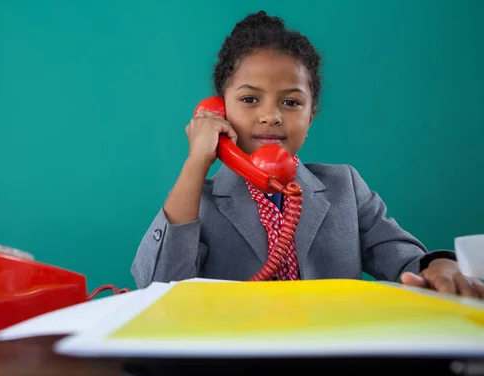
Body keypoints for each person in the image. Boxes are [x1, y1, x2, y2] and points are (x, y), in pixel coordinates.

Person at [131, 10, 484, 298]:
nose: (271, 115)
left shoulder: (344, 186)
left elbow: (406, 260)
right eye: (250, 99)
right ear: (218, 111)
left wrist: (437, 266)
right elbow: (157, 288)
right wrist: (196, 163)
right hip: (238, 364)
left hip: (329, 361)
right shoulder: (197, 202)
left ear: (311, 115)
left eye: (291, 102)